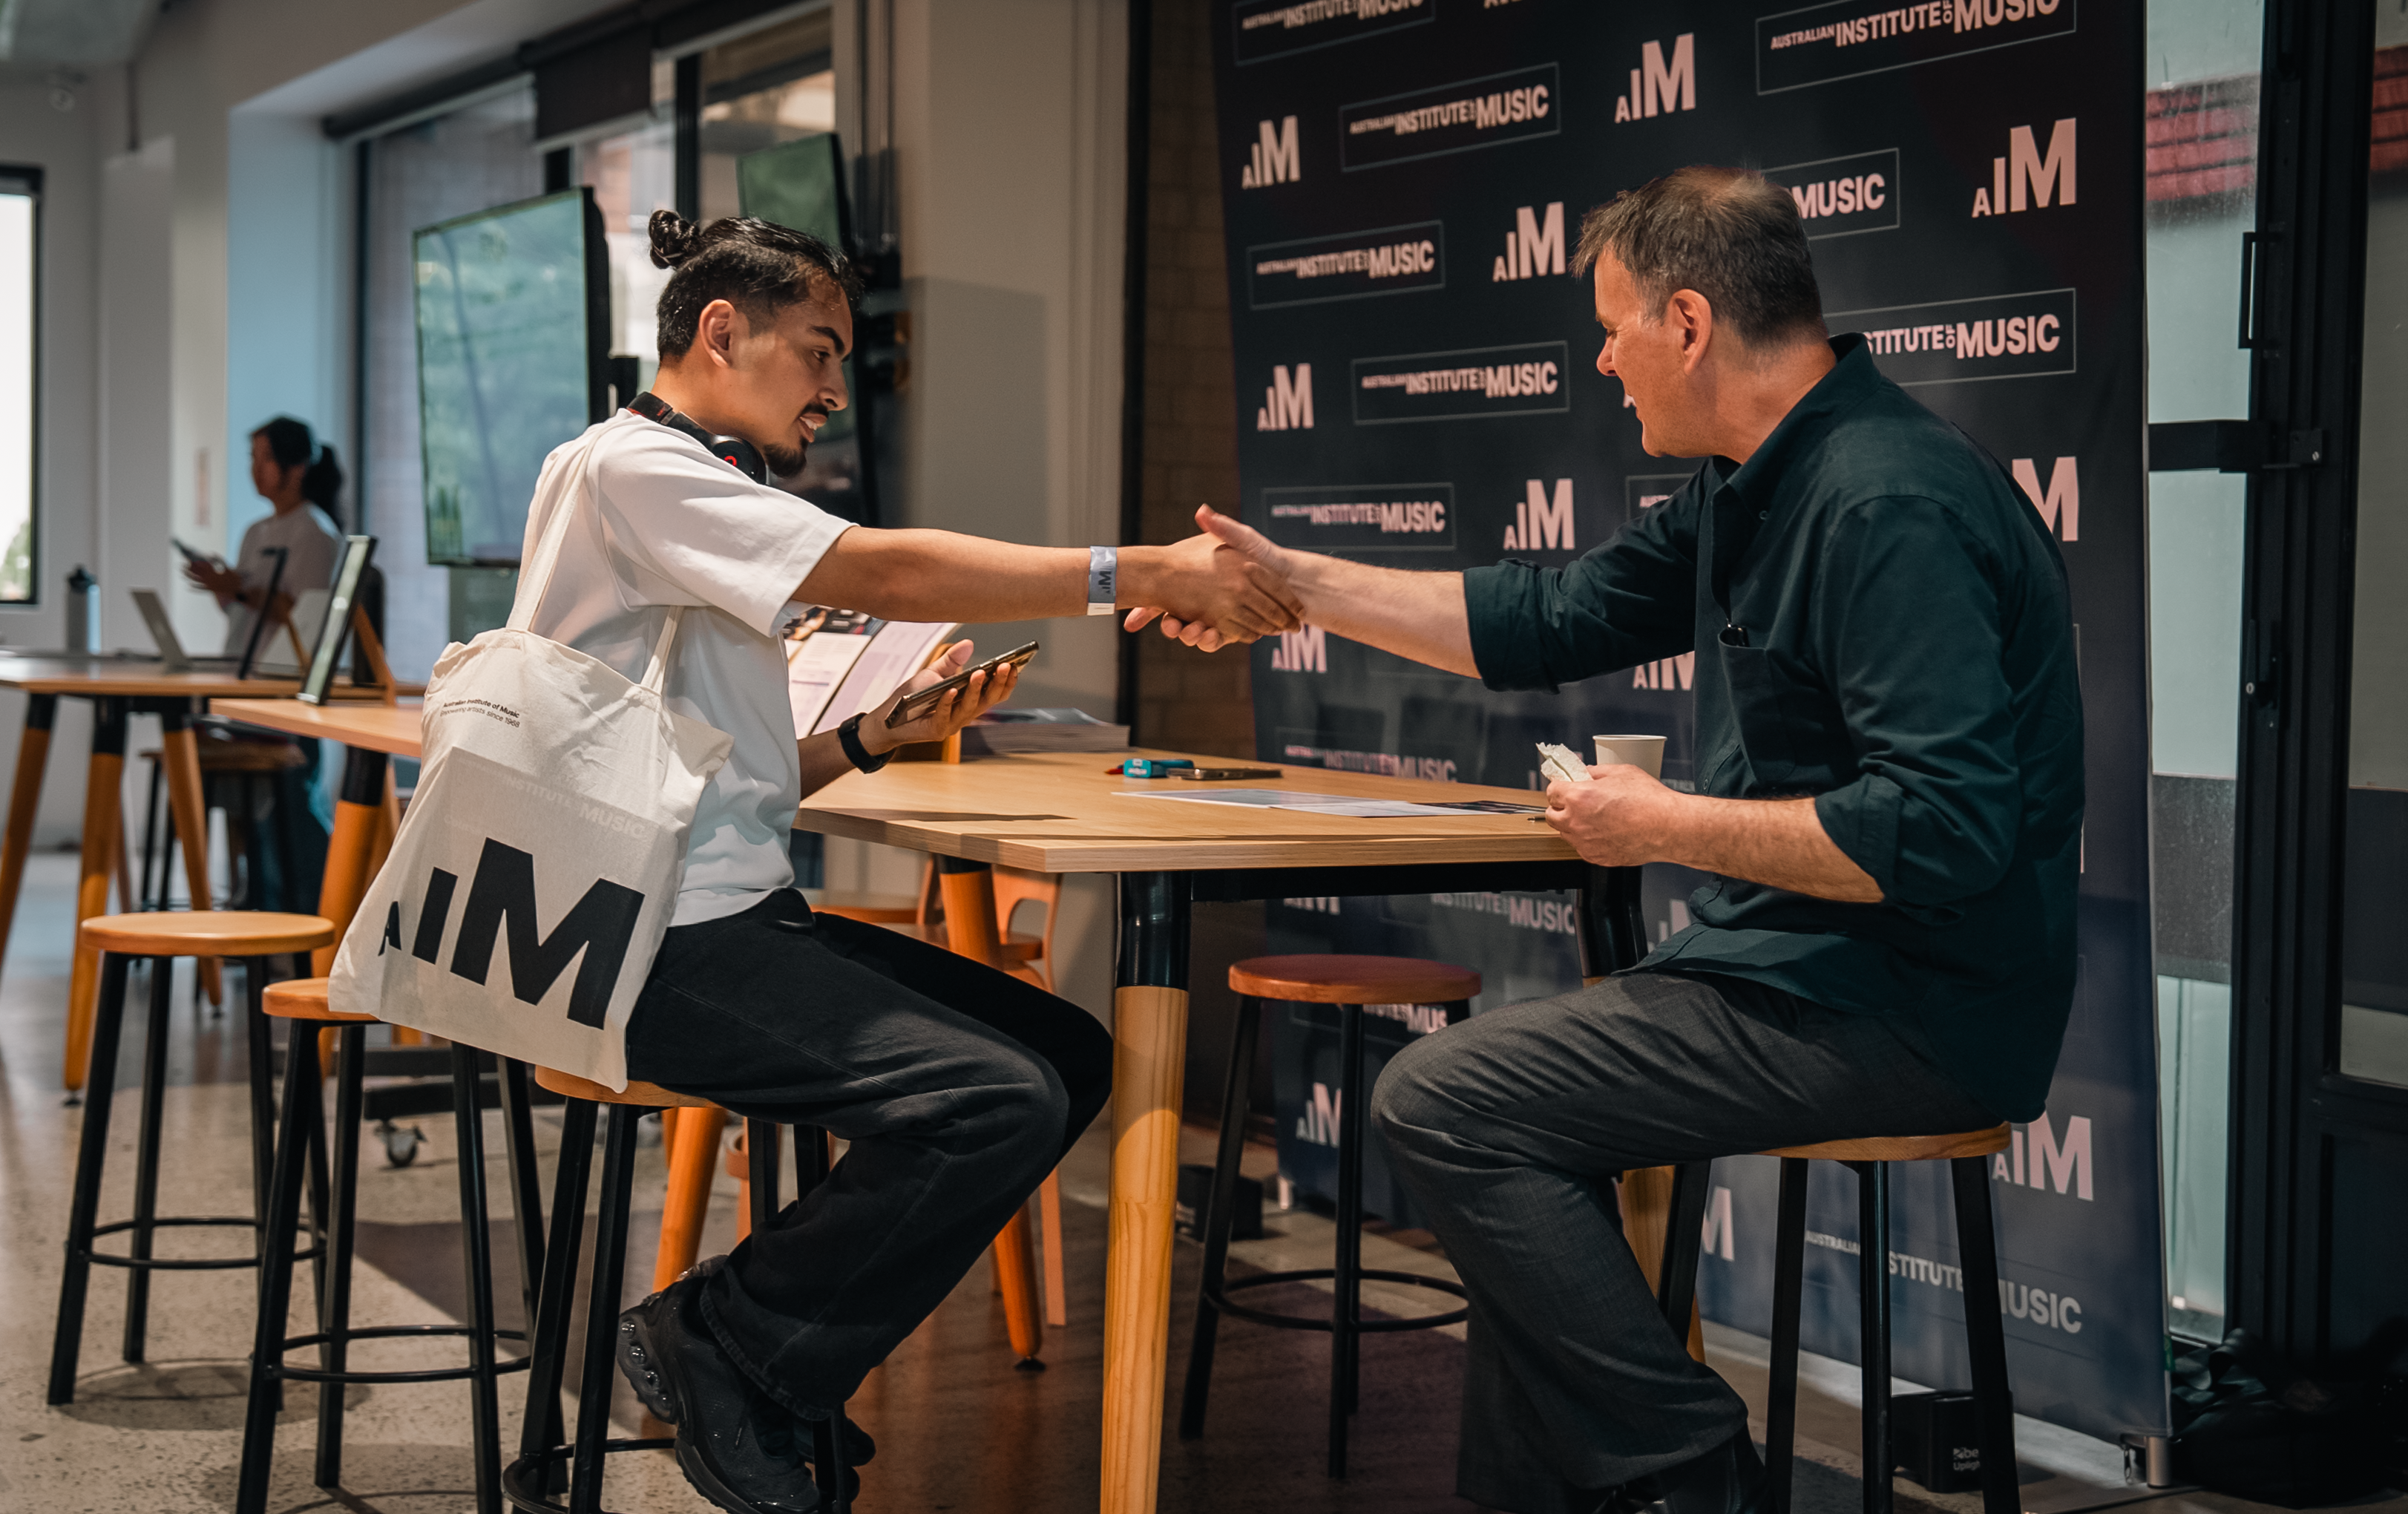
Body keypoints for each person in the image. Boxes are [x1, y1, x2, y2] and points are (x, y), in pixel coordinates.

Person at [1158, 166, 2084, 1514]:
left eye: (1614, 327)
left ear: (1691, 323)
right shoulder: (1757, 480)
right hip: (1794, 971)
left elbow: (1941, 829)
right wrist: (1287, 587)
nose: (1603, 359)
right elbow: (1547, 618)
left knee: (1448, 1100)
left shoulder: (1884, 502)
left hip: (1913, 1005)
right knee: (1499, 1121)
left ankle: (1701, 1480)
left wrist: (1660, 824)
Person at [557, 211, 1293, 1513]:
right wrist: (1140, 568)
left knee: (1065, 1062)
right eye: (819, 350)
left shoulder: (681, 489)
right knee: (992, 1102)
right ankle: (727, 1340)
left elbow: (725, 773)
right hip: (650, 943)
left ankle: (768, 1357)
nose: (835, 389)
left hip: (725, 915)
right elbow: (881, 567)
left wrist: (867, 738)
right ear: (720, 332)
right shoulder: (632, 470)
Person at [184, 416, 346, 657]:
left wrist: (240, 588)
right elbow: (242, 614)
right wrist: (222, 587)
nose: (256, 469)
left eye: (267, 458)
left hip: (285, 674)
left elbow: (306, 618)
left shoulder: (315, 533)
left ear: (297, 467)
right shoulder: (255, 531)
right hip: (246, 666)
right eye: (253, 458)